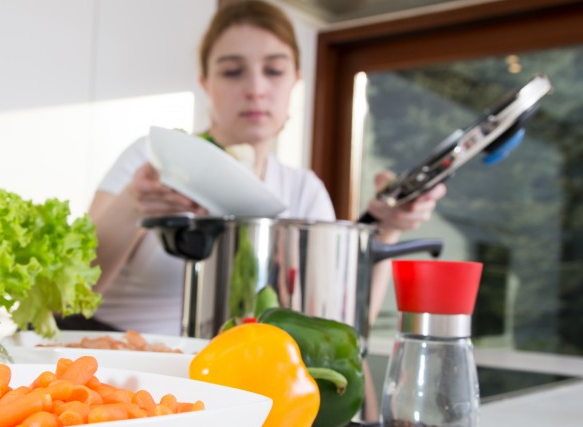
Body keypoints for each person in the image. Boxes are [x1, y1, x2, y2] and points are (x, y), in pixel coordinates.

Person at [80, 0, 446, 335]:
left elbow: (338, 317)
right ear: (206, 83)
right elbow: (75, 292)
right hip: (130, 367)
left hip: (244, 375)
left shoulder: (303, 190)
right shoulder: (154, 158)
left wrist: (388, 228)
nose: (255, 88)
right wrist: (134, 203)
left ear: (294, 82)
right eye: (233, 72)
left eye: (273, 70)